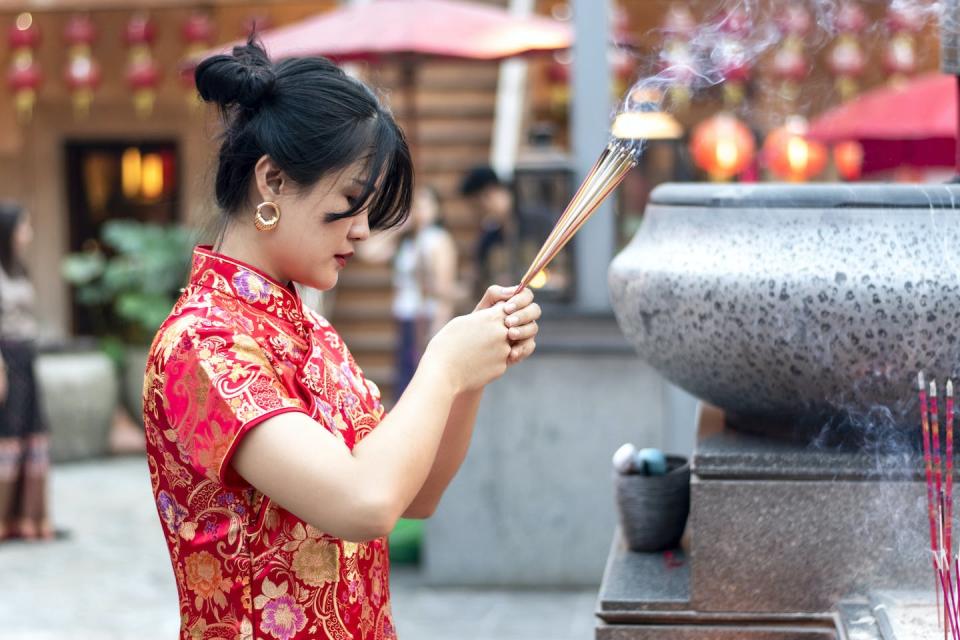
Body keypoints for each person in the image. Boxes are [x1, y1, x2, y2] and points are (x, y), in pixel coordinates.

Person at [143, 41, 540, 640]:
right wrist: (444, 366)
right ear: (271, 179)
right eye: (352, 202)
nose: (362, 229)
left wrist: (470, 377)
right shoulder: (201, 345)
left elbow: (416, 495)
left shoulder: (312, 331)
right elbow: (366, 503)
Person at [0, 202, 53, 542]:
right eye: (23, 227)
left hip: (27, 357)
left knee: (34, 432)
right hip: (7, 360)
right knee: (8, 435)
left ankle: (29, 516)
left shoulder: (19, 268)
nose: (27, 234)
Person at [392, 186, 460, 398]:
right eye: (415, 206)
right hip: (405, 313)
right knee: (405, 373)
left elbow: (444, 288)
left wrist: (440, 321)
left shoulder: (439, 240)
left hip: (426, 314)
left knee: (420, 377)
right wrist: (400, 227)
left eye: (424, 204)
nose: (419, 210)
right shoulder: (407, 241)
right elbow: (371, 251)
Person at [460, 165, 515, 294]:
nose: (477, 213)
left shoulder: (538, 223)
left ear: (488, 195)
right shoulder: (488, 238)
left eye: (477, 206)